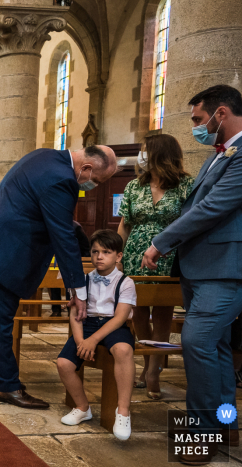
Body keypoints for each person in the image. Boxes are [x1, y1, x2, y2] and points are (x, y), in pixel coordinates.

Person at [0, 144, 118, 409]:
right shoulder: (62, 178)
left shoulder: (45, 155)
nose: (94, 186)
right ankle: (7, 386)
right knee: (0, 318)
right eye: (97, 181)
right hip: (3, 248)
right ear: (87, 168)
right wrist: (77, 290)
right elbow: (63, 236)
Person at [142, 85, 242, 464]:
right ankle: (225, 422)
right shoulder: (219, 155)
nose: (196, 128)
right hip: (201, 268)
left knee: (196, 342)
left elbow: (214, 207)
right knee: (214, 348)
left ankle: (202, 435)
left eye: (199, 119)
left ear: (221, 114)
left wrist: (160, 241)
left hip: (225, 268)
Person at [117, 134, 193, 399]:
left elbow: (191, 222)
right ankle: (147, 361)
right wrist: (118, 253)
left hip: (169, 256)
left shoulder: (185, 185)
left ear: (161, 153)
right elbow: (125, 223)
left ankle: (153, 370)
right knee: (137, 311)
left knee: (163, 313)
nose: (142, 156)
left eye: (146, 151)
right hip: (135, 255)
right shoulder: (134, 186)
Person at [57, 230, 136, 440]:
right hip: (87, 324)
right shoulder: (82, 279)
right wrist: (81, 341)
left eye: (106, 252)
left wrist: (94, 340)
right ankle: (83, 407)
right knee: (64, 364)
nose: (99, 257)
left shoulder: (126, 282)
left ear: (118, 256)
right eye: (95, 252)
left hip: (113, 326)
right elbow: (75, 313)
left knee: (123, 349)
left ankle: (123, 411)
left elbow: (120, 318)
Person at [50, 221, 90, 317]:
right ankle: (56, 309)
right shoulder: (51, 224)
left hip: (72, 260)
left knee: (71, 286)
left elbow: (85, 247)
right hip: (55, 260)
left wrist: (82, 261)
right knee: (53, 282)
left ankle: (70, 310)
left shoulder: (75, 227)